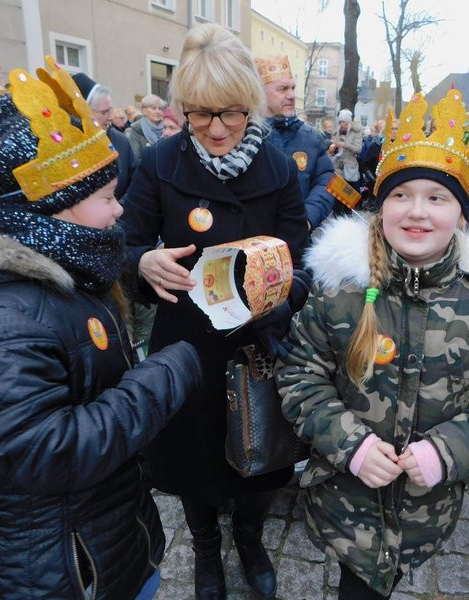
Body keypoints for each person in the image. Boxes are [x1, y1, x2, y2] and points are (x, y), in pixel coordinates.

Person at [0, 57, 202, 599]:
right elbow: (47, 452)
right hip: (62, 568)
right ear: (56, 207)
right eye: (107, 197)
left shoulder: (65, 264)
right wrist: (167, 374)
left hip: (101, 537)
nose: (119, 212)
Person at [276, 90, 469, 600]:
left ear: (462, 213)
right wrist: (350, 444)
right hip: (346, 499)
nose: (417, 212)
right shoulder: (342, 292)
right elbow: (300, 376)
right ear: (381, 205)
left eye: (437, 198)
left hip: (427, 507)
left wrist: (449, 450)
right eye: (401, 195)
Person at [121, 24, 309, 600]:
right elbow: (124, 243)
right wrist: (145, 264)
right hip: (187, 340)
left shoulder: (277, 167)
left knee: (260, 451)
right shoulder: (158, 162)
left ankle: (250, 539)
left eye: (229, 113)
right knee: (194, 453)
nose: (217, 128)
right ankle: (207, 548)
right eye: (201, 114)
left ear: (249, 105)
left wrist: (275, 295)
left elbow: (301, 262)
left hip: (257, 340)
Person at [255, 55, 334, 230]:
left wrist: (306, 219)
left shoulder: (310, 137)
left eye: (293, 88)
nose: (292, 95)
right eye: (283, 89)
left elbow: (326, 181)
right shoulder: (244, 136)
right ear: (260, 93)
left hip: (298, 245)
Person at [72, 72, 137, 199]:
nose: (111, 117)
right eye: (105, 112)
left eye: (111, 110)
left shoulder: (121, 141)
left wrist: (118, 209)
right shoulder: (67, 146)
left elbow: (135, 184)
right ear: (82, 112)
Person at [330, 108, 363, 184]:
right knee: (337, 193)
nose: (341, 124)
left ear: (349, 122)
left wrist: (345, 145)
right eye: (340, 122)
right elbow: (336, 146)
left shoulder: (356, 131)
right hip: (338, 167)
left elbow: (358, 149)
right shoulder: (338, 131)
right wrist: (333, 146)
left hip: (349, 167)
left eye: (343, 122)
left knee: (349, 192)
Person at [127, 93, 165, 158]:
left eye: (160, 108)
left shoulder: (168, 127)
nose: (158, 111)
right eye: (154, 108)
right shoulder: (136, 130)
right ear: (144, 111)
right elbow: (135, 158)